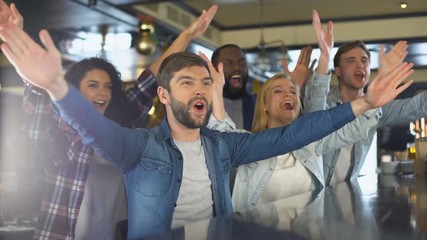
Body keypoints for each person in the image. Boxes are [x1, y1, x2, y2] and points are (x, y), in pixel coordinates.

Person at [0, 19, 414, 239]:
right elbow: (92, 128)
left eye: (204, 83)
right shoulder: (137, 148)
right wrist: (55, 85)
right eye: (186, 83)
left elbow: (292, 136)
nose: (199, 90)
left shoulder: (223, 146)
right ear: (163, 96)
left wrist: (363, 103)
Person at [0, 2, 218, 239]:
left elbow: (154, 75)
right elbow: (38, 91)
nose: (102, 93)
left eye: (107, 87)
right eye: (92, 86)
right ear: (74, 91)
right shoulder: (60, 126)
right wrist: (15, 35)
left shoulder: (122, 124)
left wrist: (189, 33)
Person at [224, 10, 378, 210]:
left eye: (293, 92)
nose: (288, 95)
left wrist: (325, 57)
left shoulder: (311, 144)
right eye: (279, 91)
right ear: (263, 104)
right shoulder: (246, 147)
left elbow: (339, 126)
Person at [304, 37, 427, 185]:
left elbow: (416, 106)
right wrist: (324, 56)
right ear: (338, 71)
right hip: (316, 194)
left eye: (364, 60)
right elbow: (313, 114)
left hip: (347, 193)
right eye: (351, 61)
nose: (360, 65)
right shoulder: (326, 103)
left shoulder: (375, 108)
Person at [211, 44, 256, 131]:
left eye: (242, 62)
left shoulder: (257, 104)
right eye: (228, 63)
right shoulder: (202, 104)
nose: (237, 67)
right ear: (214, 69)